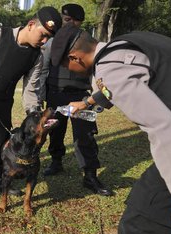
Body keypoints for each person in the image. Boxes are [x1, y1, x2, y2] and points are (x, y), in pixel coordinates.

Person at [51, 24, 171, 234]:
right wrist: (86, 103)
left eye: (66, 65)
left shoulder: (109, 67)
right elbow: (119, 85)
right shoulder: (128, 42)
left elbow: (165, 127)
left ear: (74, 57)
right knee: (169, 220)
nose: (69, 70)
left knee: (141, 221)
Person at [0, 6, 63, 215]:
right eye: (43, 35)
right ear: (32, 24)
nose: (44, 42)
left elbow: (31, 88)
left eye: (48, 39)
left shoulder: (36, 57)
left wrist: (35, 114)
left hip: (3, 104)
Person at [40, 4, 113, 196]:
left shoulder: (88, 43)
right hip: (55, 93)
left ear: (80, 22)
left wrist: (94, 99)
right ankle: (56, 162)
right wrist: (41, 96)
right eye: (66, 19)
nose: (69, 23)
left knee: (85, 135)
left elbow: (97, 74)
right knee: (55, 130)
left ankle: (90, 175)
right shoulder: (52, 42)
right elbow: (42, 69)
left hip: (81, 96)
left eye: (74, 20)